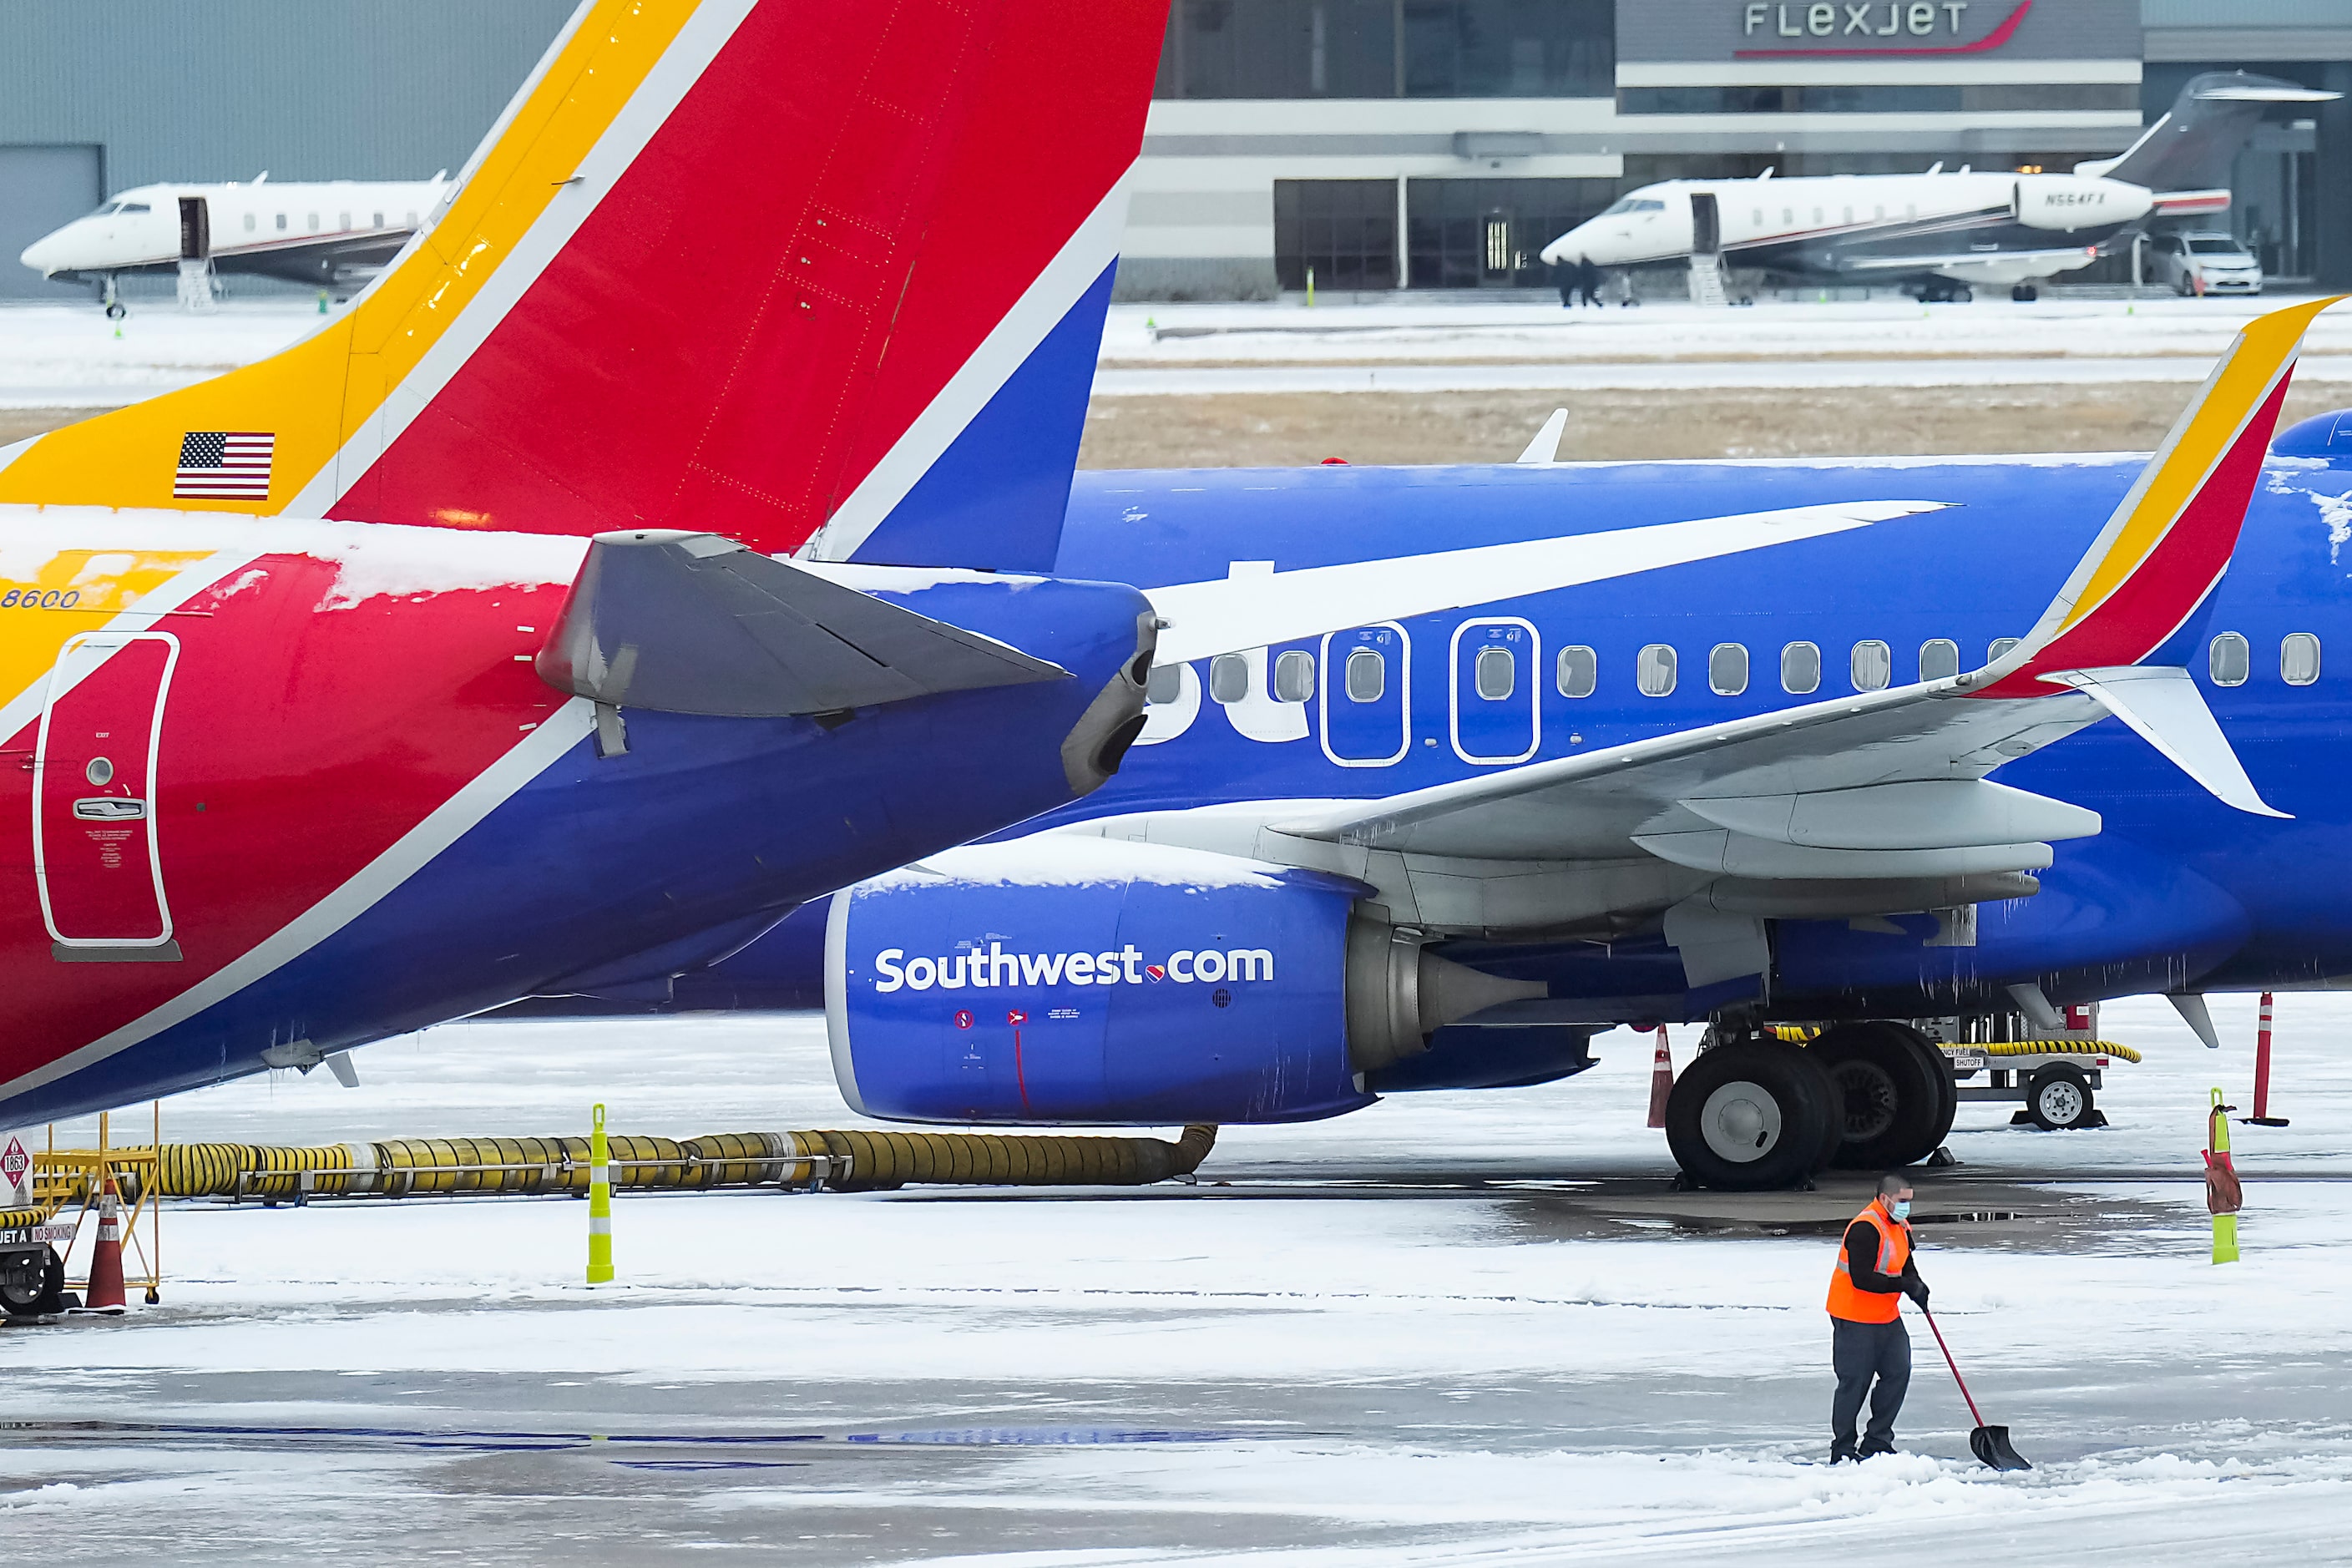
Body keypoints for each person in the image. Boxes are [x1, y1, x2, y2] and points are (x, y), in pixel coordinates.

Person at [1826, 1172, 1929, 1463]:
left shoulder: (1899, 1225)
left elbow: (1906, 1262)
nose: (1907, 1206)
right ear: (1885, 1199)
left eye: (1910, 1201)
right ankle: (1843, 1448)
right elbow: (1862, 1279)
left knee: (1898, 1372)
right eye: (1902, 1201)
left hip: (1886, 1317)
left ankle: (1878, 1440)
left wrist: (1916, 1285)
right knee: (1854, 1382)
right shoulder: (1865, 1228)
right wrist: (1903, 1285)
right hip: (1854, 1316)